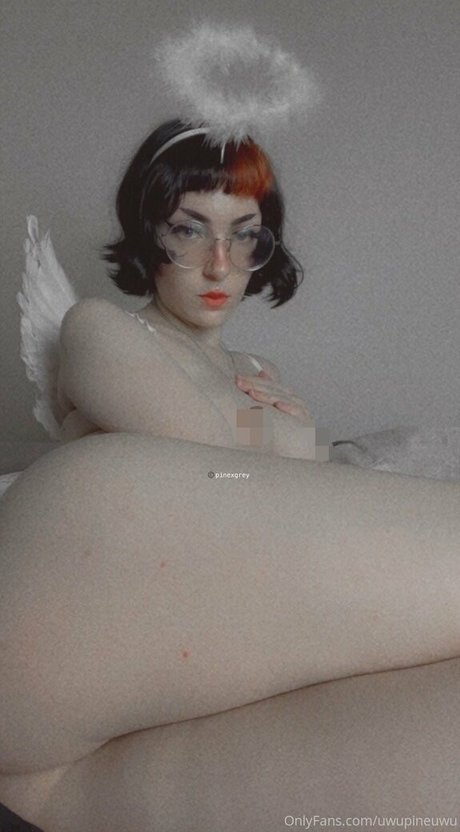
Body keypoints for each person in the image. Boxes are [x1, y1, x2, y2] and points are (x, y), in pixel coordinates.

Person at [0, 120, 459, 831]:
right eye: (189, 231)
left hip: (177, 647)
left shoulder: (257, 372)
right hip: (81, 594)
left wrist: (289, 440)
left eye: (244, 236)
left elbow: (281, 502)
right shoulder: (102, 327)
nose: (219, 265)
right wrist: (282, 433)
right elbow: (215, 459)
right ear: (149, 234)